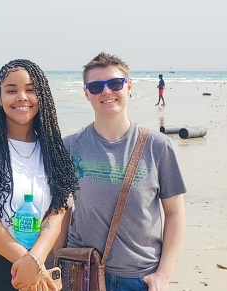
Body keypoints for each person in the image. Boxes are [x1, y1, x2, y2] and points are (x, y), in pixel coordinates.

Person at [62, 52, 187, 291]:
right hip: (81, 272)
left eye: (115, 83)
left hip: (139, 277)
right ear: (86, 93)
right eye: (97, 86)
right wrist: (53, 264)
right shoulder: (69, 146)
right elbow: (62, 212)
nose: (106, 92)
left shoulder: (157, 146)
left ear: (129, 87)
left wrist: (163, 275)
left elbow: (175, 214)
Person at [0, 59, 79, 291]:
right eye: (11, 90)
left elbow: (57, 212)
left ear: (43, 97)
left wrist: (36, 259)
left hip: (36, 266)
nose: (21, 97)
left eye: (31, 90)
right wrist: (26, 260)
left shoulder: (54, 151)